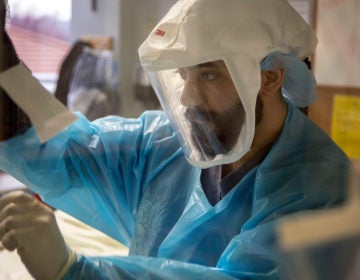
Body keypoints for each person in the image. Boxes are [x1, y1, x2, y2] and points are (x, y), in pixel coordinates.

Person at [0, 0, 359, 279]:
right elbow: (68, 152)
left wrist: (72, 270)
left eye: (208, 74)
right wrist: (5, 70)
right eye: (184, 75)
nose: (187, 97)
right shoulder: (167, 144)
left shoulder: (324, 192)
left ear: (270, 78)